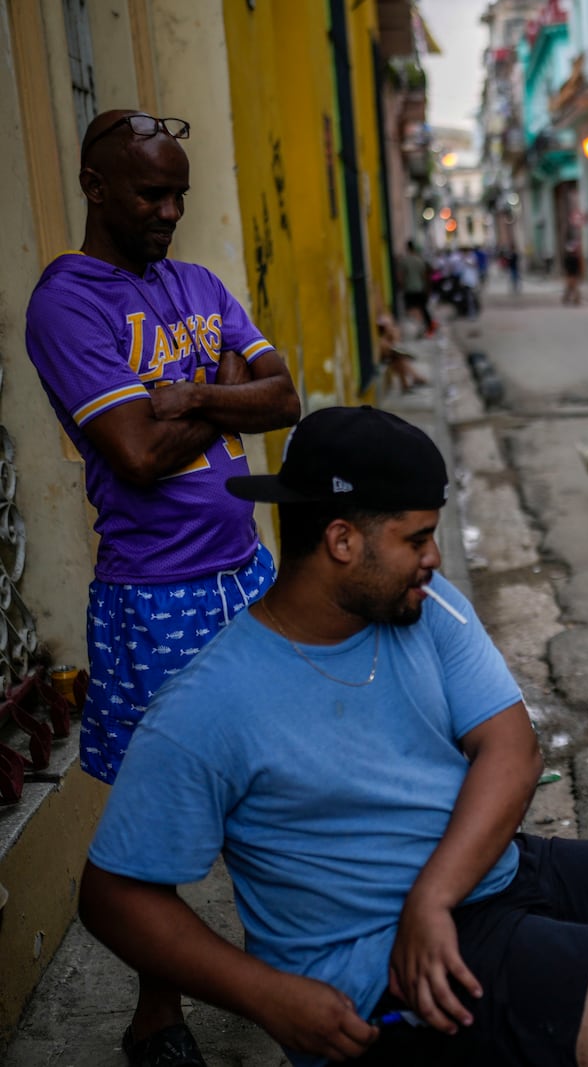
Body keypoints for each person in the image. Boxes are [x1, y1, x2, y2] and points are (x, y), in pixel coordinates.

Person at [77, 407, 588, 1067]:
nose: (434, 557)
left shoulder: (423, 600)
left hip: (481, 873)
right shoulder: (207, 706)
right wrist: (267, 995)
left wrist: (434, 893)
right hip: (376, 960)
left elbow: (512, 748)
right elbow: (112, 895)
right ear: (342, 540)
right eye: (416, 537)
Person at [24, 108, 302, 1067]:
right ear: (97, 186)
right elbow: (136, 452)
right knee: (164, 811)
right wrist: (219, 386)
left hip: (248, 570)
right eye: (151, 191)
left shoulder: (195, 280)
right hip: (156, 592)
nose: (170, 210)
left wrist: (194, 393)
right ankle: (157, 1011)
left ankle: (290, 963)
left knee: (276, 771)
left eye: (179, 191)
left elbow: (285, 396)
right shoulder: (68, 303)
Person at [395, 240, 436, 338]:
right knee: (423, 309)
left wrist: (402, 286)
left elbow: (400, 276)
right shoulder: (419, 260)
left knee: (409, 310)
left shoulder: (404, 261)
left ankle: (414, 330)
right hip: (419, 289)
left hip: (409, 289)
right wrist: (427, 289)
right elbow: (425, 276)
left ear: (407, 248)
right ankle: (426, 328)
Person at [562, 238, 583, 306]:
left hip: (570, 274)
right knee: (573, 287)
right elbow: (578, 266)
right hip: (573, 274)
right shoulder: (575, 257)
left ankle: (568, 299)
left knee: (570, 287)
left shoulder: (568, 257)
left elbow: (565, 266)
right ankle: (574, 300)